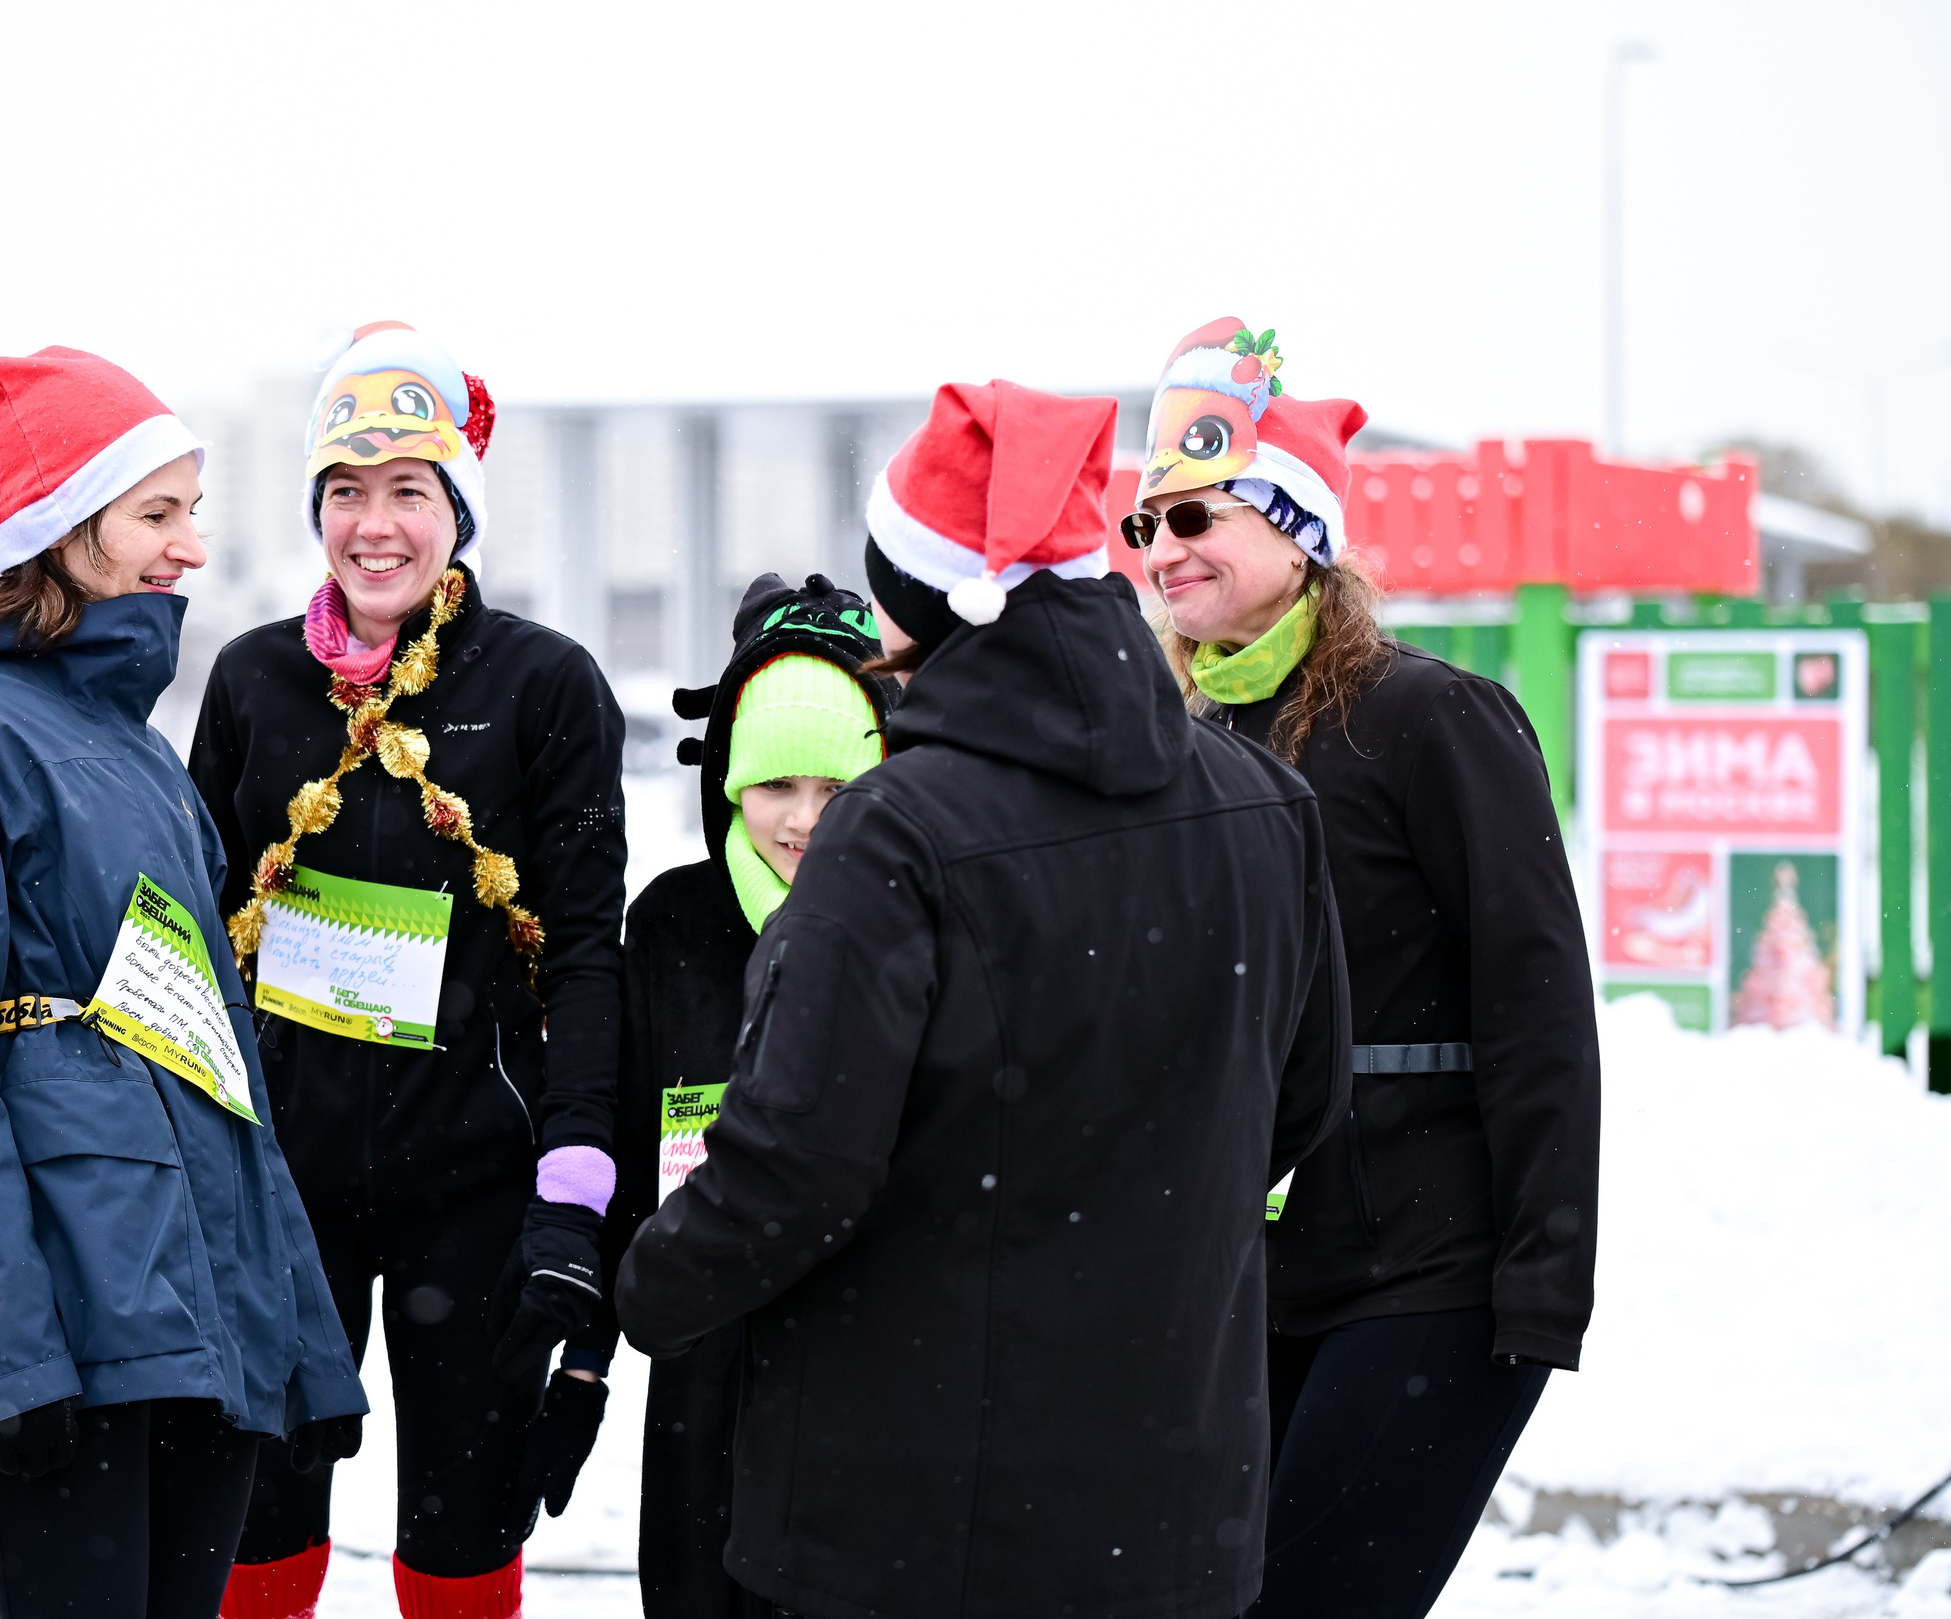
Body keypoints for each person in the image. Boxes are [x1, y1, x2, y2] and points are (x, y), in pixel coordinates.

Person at [615, 379, 1352, 1619]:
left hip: (912, 1510)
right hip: (1171, 1499)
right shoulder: (1263, 803)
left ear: (913, 600)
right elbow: (1301, 1099)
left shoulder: (895, 829)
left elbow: (801, 1160)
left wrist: (652, 1281)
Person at [0, 346, 365, 1618]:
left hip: (207, 1318)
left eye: (193, 509)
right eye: (156, 513)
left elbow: (221, 1062)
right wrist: (9, 1350)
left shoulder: (141, 756)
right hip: (76, 1325)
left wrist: (304, 1336)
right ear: (58, 526)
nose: (191, 546)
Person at [1128, 317, 1601, 1619]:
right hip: (1245, 1281)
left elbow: (1538, 1001)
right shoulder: (1172, 741)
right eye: (1146, 524)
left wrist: (1544, 1279)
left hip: (1429, 1271)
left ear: (1297, 529)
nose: (1163, 549)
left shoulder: (1427, 716)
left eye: (1197, 515)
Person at [190, 322, 627, 1619]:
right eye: (345, 490)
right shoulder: (255, 681)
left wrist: (574, 1195)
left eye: (408, 490)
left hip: (475, 1193)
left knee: (460, 1538)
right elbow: (201, 936)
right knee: (254, 1523)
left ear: (459, 510)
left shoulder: (544, 685)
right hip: (285, 1191)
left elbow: (586, 956)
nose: (373, 525)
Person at [604, 573, 893, 1619]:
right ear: (728, 779)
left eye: (836, 785)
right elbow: (625, 1136)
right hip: (704, 1368)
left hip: (876, 1369)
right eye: (775, 784)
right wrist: (587, 1350)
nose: (804, 819)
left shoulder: (923, 920)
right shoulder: (673, 923)